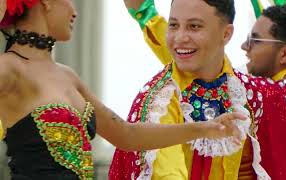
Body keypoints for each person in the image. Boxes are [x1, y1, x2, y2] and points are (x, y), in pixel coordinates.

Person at [0, 0, 246, 179]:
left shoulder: (67, 76)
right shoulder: (9, 69)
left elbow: (126, 135)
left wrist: (203, 128)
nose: (75, 11)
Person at [109, 0, 286, 179]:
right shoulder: (159, 102)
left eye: (194, 27)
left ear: (227, 34)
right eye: (173, 25)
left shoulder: (256, 94)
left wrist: (147, 16)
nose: (180, 37)